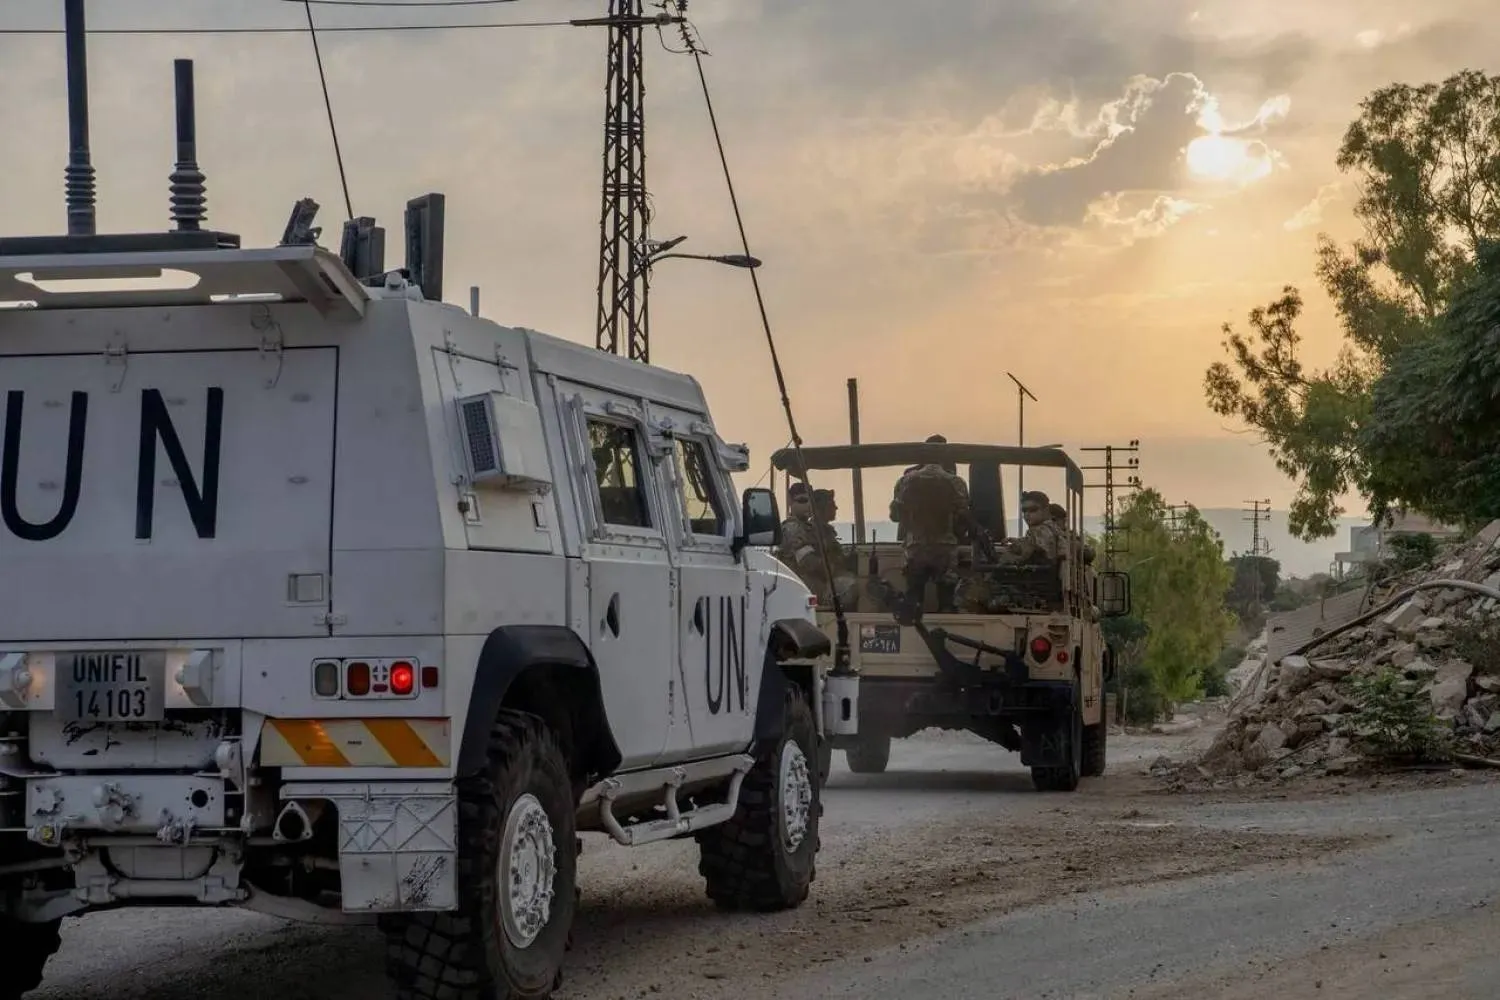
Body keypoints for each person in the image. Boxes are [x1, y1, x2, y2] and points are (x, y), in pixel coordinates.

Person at [889, 450, 971, 612]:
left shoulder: (905, 481)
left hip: (915, 549)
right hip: (945, 549)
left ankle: (913, 631)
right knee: (947, 600)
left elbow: (895, 516)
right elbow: (963, 517)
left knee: (913, 598)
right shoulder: (955, 482)